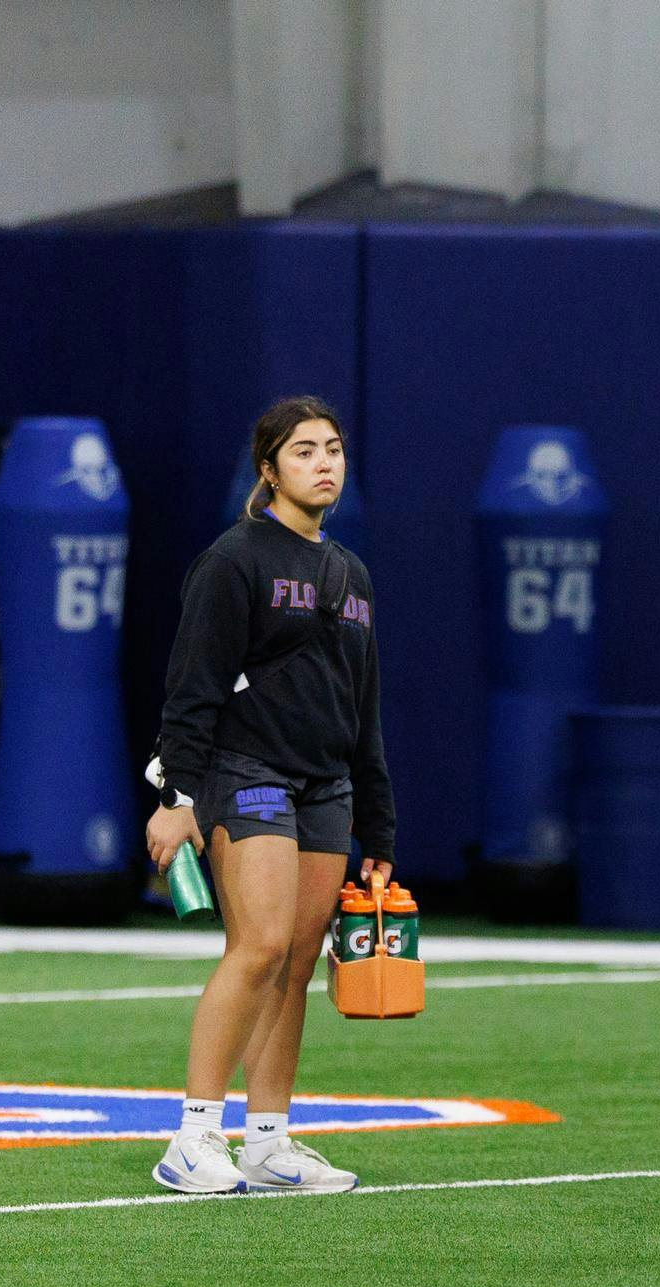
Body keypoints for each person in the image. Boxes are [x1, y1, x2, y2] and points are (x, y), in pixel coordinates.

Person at [144, 395, 396, 1194]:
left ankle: (267, 1141)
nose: (324, 463)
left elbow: (365, 714)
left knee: (294, 963)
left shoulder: (351, 573)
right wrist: (177, 798)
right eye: (303, 452)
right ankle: (191, 1138)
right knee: (255, 949)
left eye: (333, 450)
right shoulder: (235, 559)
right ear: (269, 469)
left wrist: (380, 835)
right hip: (245, 774)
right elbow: (193, 688)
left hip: (326, 787)